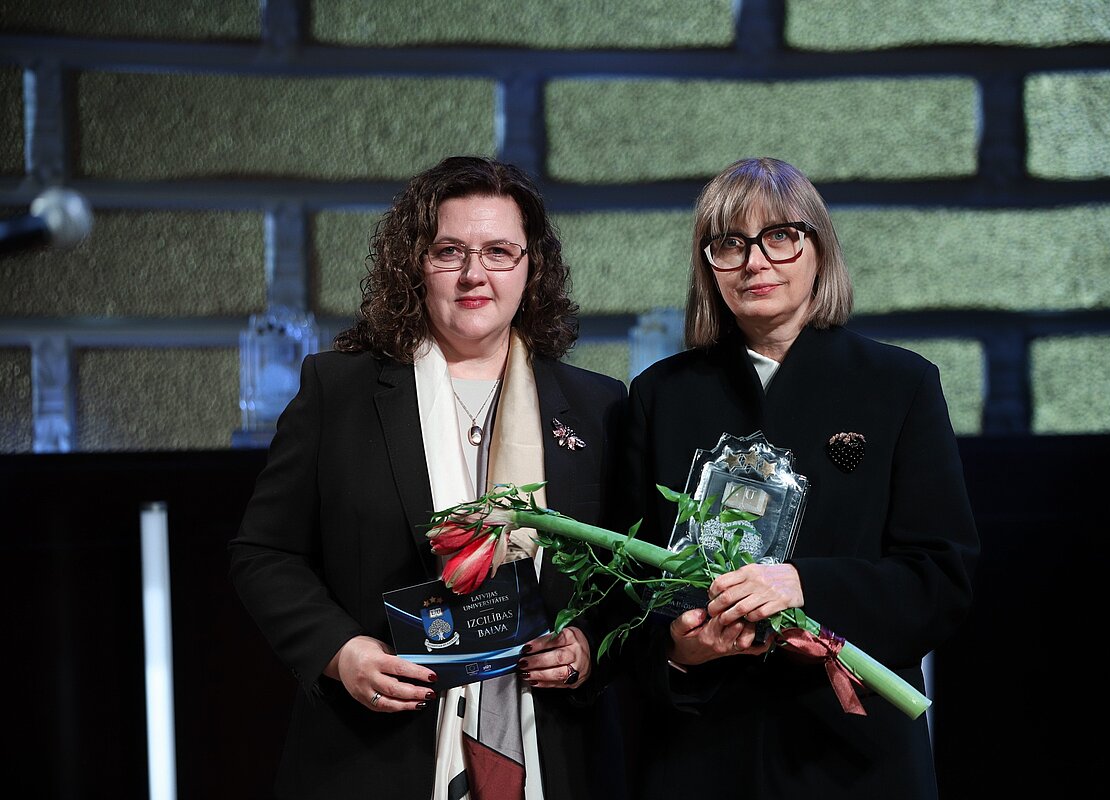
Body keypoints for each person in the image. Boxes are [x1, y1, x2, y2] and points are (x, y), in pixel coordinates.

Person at [229, 156, 627, 800]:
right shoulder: (339, 391)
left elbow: (627, 583)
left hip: (556, 751)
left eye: (500, 251)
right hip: (374, 755)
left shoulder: (599, 407)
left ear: (533, 267)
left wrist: (588, 647)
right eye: (451, 251)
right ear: (415, 264)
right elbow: (264, 554)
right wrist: (341, 652)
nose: (476, 274)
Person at [618, 157, 979, 798]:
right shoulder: (658, 397)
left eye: (780, 237)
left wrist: (805, 585)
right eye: (730, 244)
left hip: (853, 758)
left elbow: (941, 578)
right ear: (710, 268)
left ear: (819, 251)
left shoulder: (899, 386)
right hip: (701, 754)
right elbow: (628, 590)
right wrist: (681, 647)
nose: (756, 262)